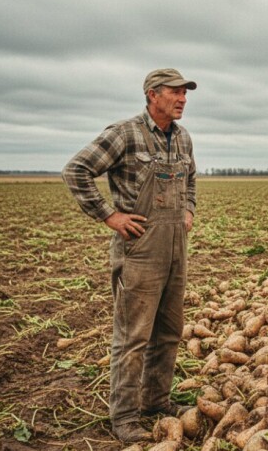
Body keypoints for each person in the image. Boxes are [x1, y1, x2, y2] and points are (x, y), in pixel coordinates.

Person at [62, 68, 198, 442]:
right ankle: (123, 417)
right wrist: (109, 215)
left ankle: (156, 401)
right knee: (132, 336)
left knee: (169, 332)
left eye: (185, 93)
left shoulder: (183, 138)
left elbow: (190, 181)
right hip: (139, 251)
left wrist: (188, 211)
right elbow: (76, 171)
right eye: (175, 92)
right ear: (152, 95)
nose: (183, 99)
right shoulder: (125, 134)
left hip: (175, 249)